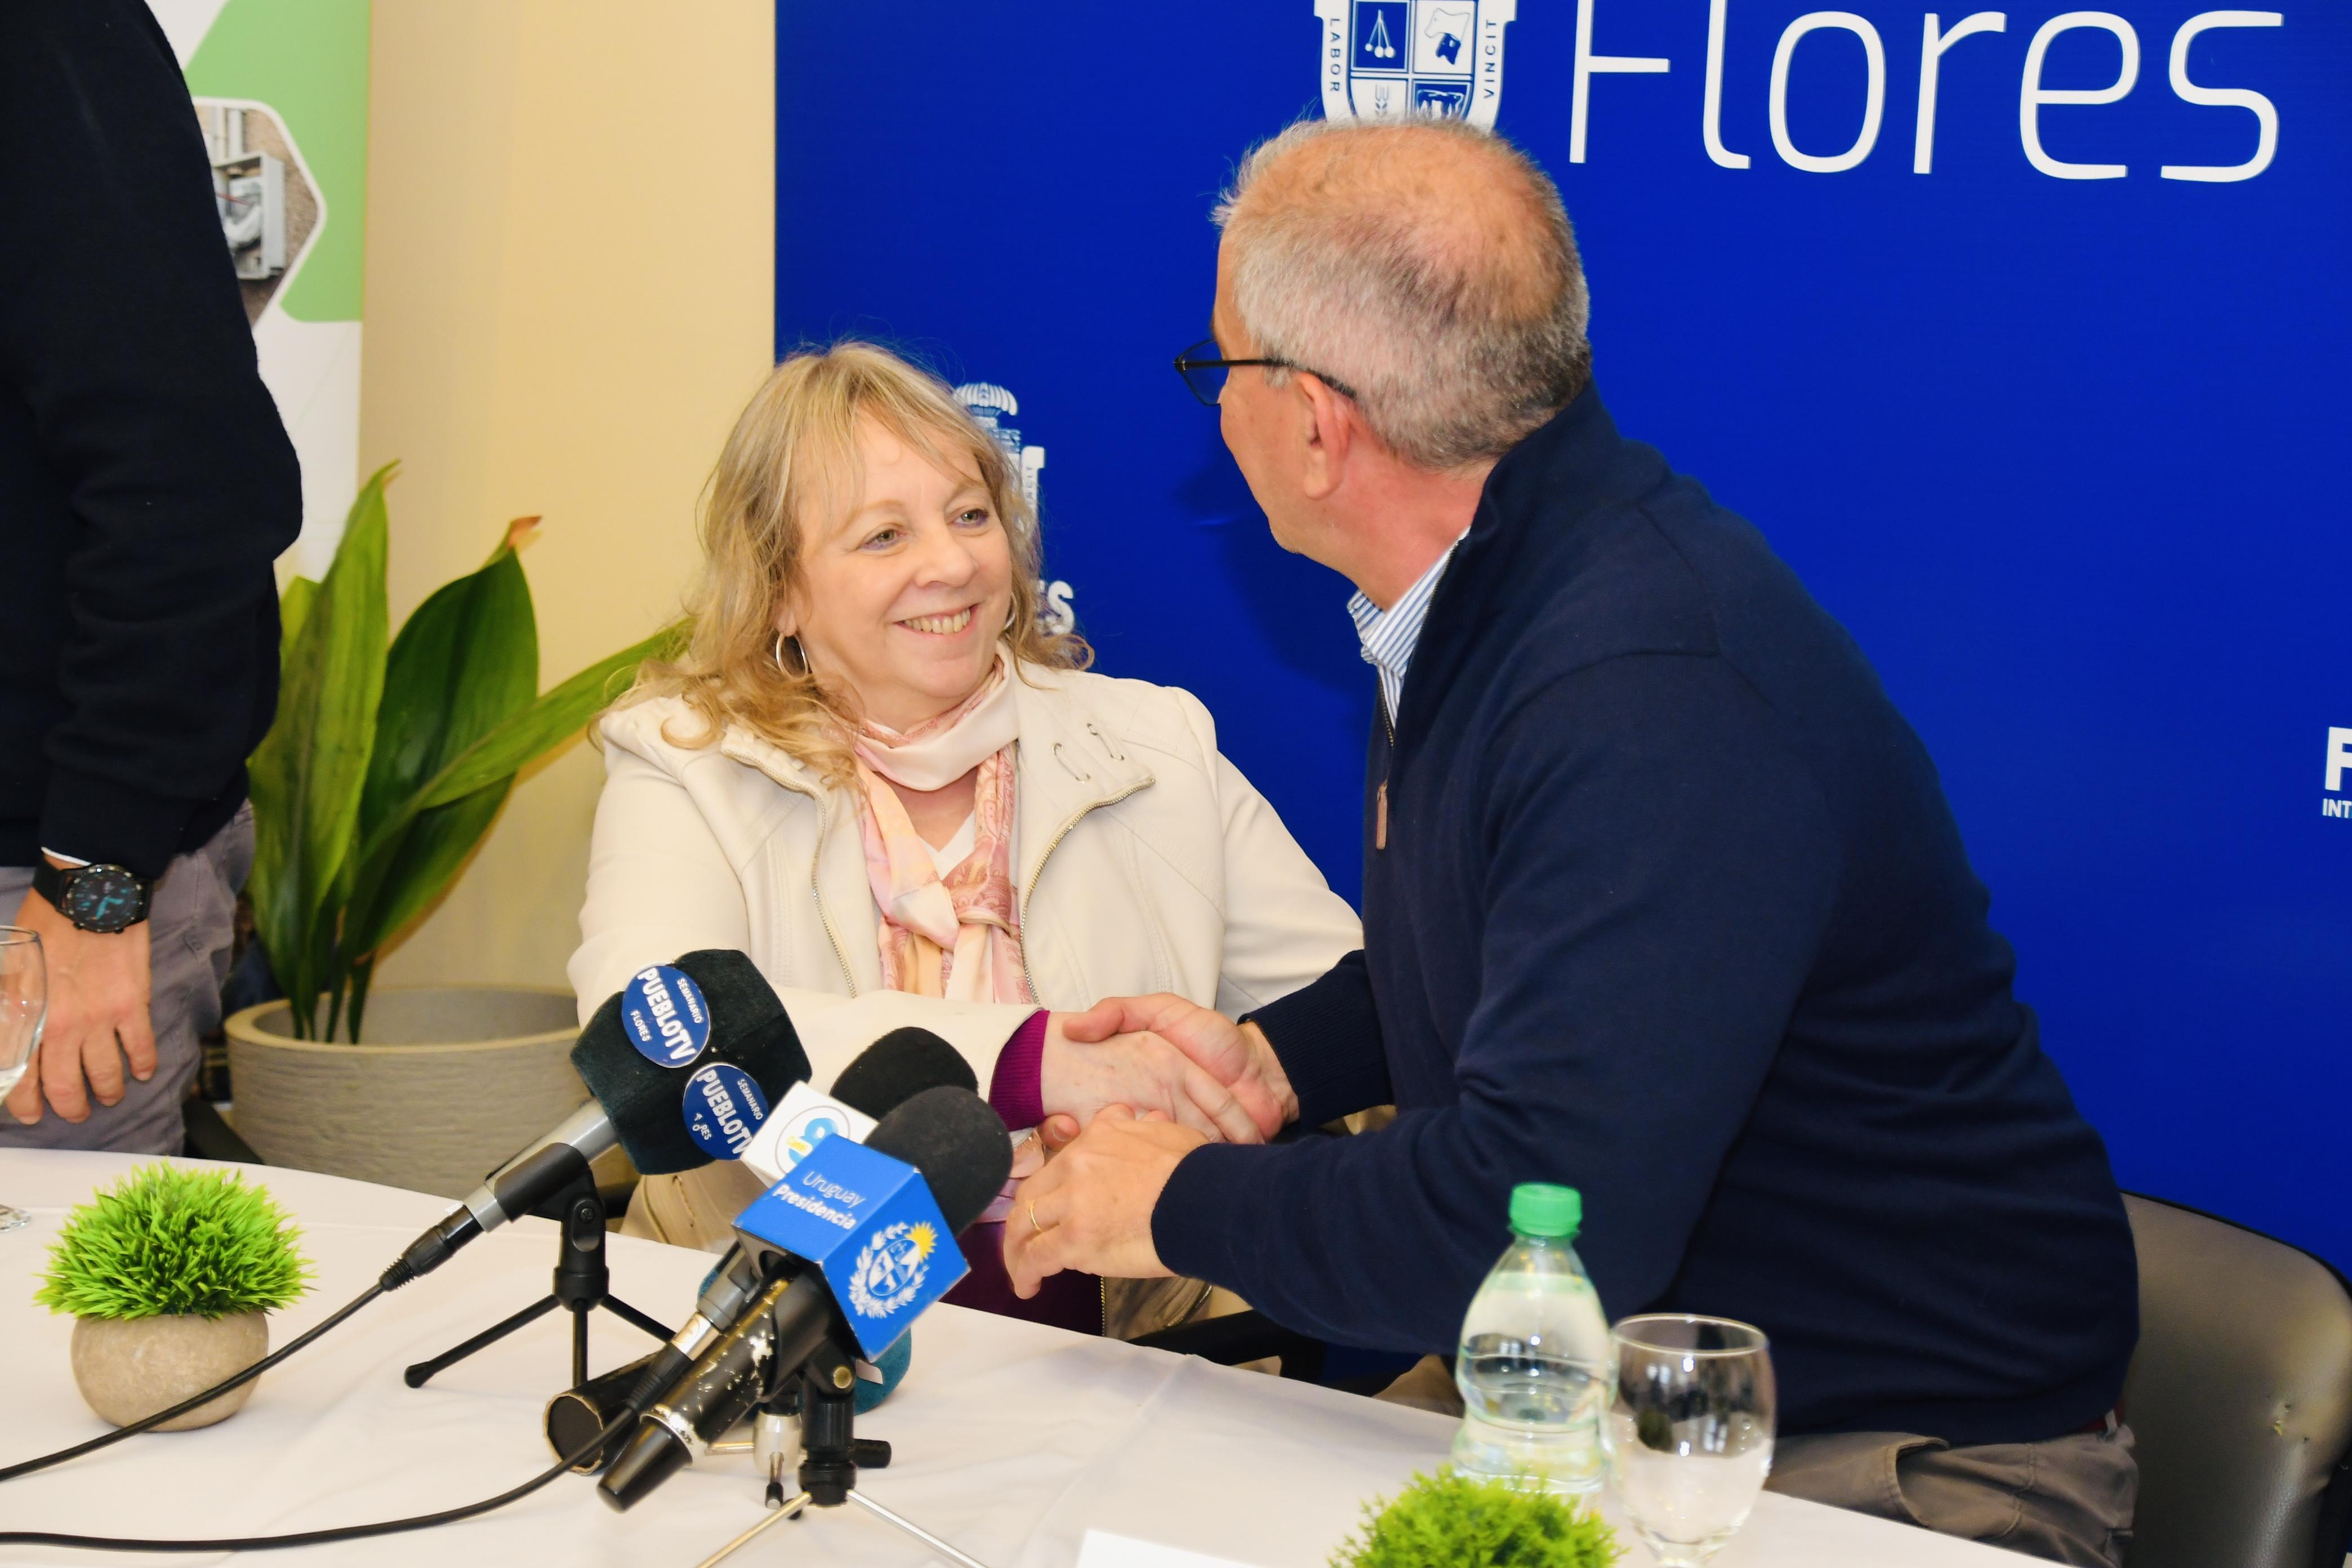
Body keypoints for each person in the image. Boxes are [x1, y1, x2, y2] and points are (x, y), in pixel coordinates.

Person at [1005, 119, 2140, 1565]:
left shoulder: (1647, 689)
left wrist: (1180, 1203)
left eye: (1218, 368)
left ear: (1311, 420)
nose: (1211, 408)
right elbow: (1549, 946)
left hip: (1887, 1458)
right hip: (1618, 1391)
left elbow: (1532, 1228)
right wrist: (1287, 1064)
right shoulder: (1503, 586)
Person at [568, 342, 1358, 1337]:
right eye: (883, 535)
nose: (950, 563)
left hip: (1134, 1354)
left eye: (971, 515)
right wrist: (1033, 1064)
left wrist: (1234, 1084)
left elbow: (1358, 1010)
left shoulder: (1157, 747)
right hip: (765, 1341)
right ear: (780, 591)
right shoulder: (685, 761)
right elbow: (656, 1033)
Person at [0, 0, 301, 1153]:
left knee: (53, 1336)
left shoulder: (43, 39)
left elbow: (193, 490)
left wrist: (93, 883)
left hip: (46, 891)